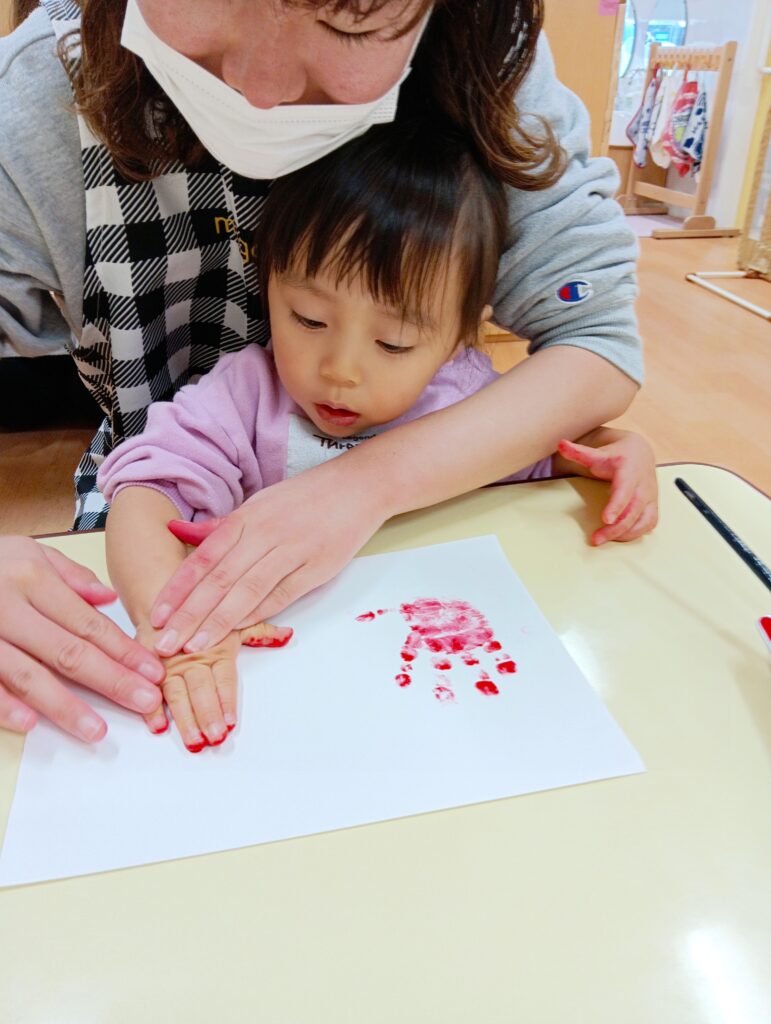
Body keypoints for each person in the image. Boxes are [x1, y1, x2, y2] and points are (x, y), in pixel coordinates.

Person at [0, 0, 642, 742]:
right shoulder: (33, 102)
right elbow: (152, 481)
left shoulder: (481, 55)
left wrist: (368, 485)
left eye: (352, 23)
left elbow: (593, 343)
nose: (261, 89)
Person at [97, 120, 658, 751]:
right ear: (268, 285)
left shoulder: (467, 403)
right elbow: (143, 492)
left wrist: (618, 450)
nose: (340, 369)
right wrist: (179, 631)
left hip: (410, 697)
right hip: (280, 698)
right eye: (308, 319)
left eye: (394, 342)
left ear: (458, 336)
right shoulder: (246, 394)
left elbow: (556, 455)